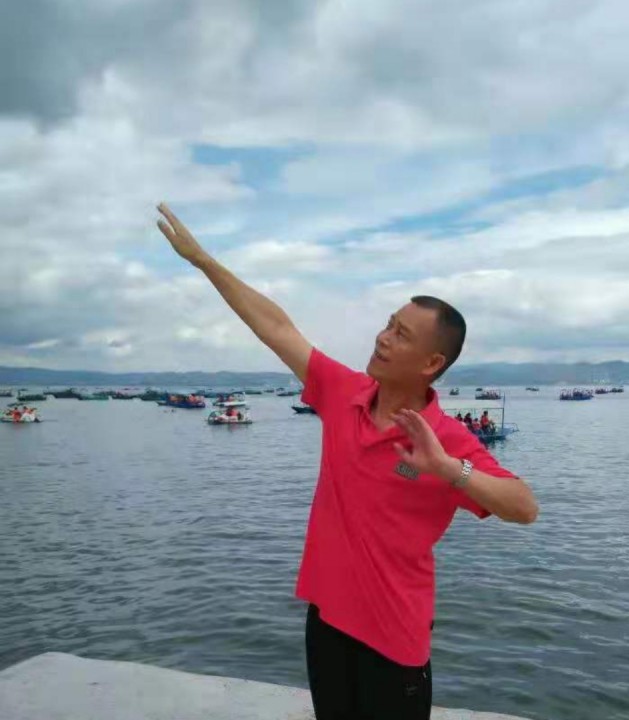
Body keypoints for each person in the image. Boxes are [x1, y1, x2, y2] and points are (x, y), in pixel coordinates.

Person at [157, 203, 538, 720]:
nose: (382, 337)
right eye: (388, 325)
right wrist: (204, 261)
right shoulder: (343, 393)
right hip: (327, 622)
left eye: (401, 334)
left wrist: (451, 470)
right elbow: (276, 328)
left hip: (394, 641)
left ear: (431, 363)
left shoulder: (445, 439)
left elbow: (524, 507)